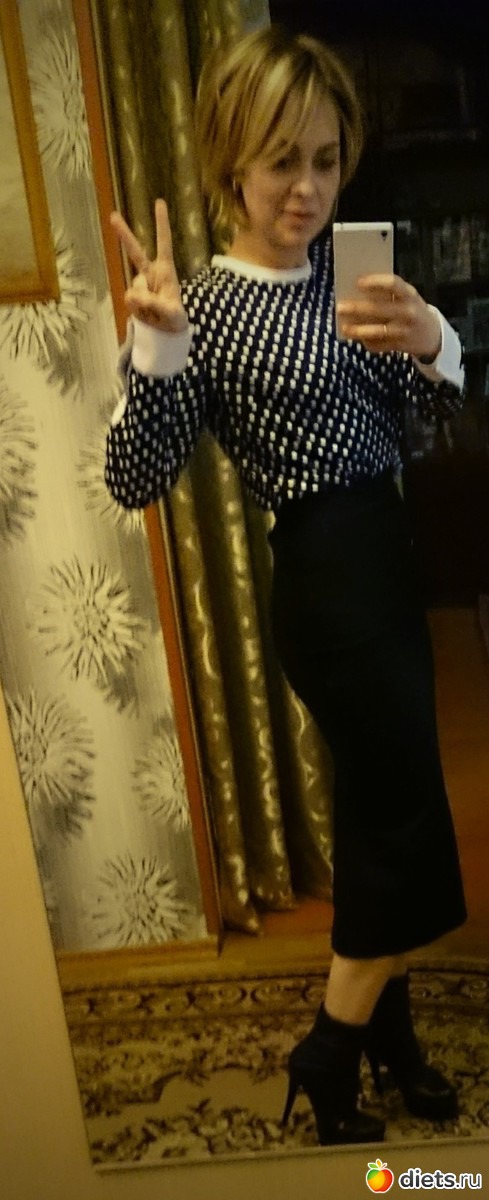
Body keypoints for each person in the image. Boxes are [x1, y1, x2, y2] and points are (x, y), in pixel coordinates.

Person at [105, 25, 467, 1146]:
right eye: (280, 163)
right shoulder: (203, 309)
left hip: (388, 567)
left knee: (378, 814)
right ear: (230, 162)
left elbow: (424, 420)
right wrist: (156, 351)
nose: (306, 188)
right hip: (326, 582)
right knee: (403, 818)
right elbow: (135, 476)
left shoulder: (345, 279)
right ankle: (331, 1049)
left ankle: (393, 1040)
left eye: (324, 159)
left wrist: (433, 342)